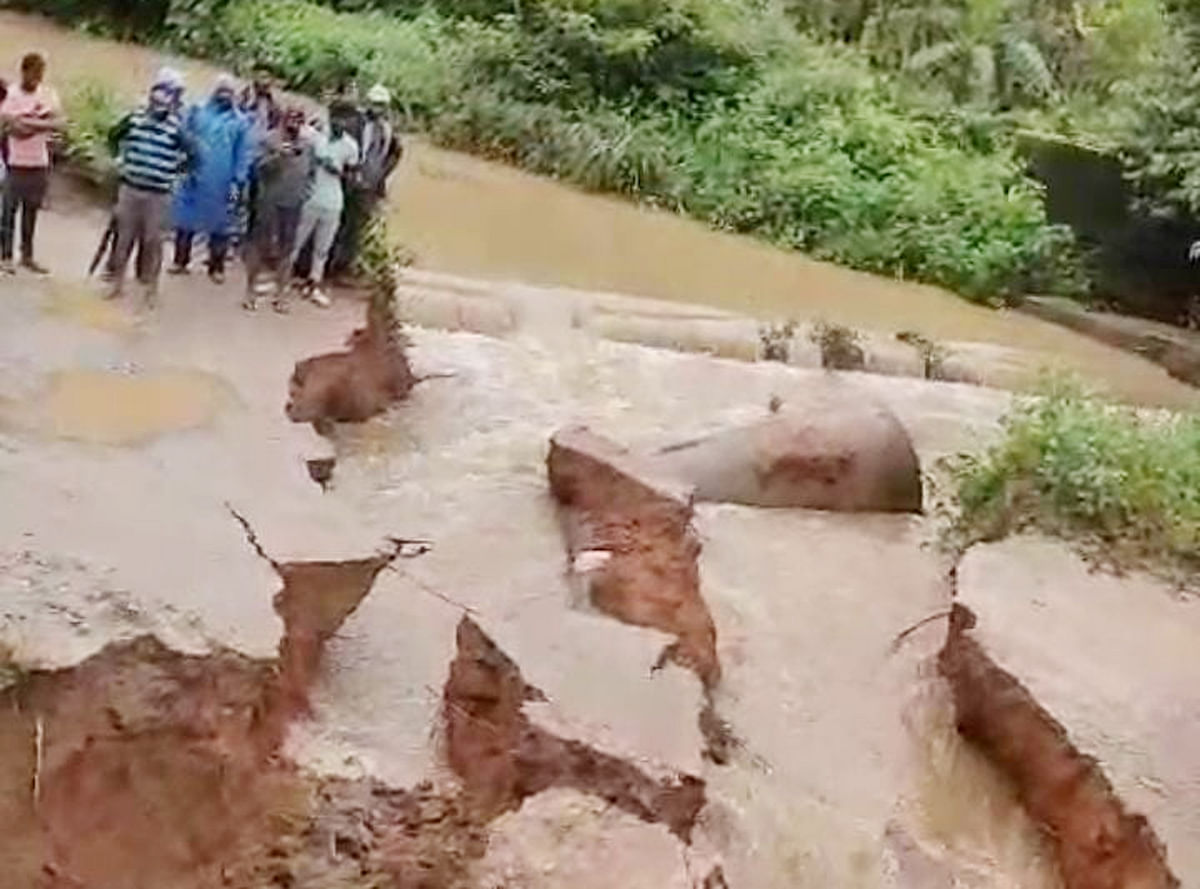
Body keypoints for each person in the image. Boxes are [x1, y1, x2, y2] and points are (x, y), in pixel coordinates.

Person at [105, 72, 195, 306]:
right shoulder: (134, 118)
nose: (160, 109)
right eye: (156, 104)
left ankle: (151, 290)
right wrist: (118, 160)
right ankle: (117, 285)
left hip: (159, 193)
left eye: (164, 106)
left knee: (154, 241)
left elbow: (195, 154)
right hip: (131, 187)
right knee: (123, 238)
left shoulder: (176, 127)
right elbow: (113, 136)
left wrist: (177, 173)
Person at [170, 74, 250, 284]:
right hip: (193, 176)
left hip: (225, 182)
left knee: (223, 223)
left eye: (229, 91)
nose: (224, 94)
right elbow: (184, 138)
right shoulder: (198, 111)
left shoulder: (240, 122)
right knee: (185, 219)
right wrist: (183, 166)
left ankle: (216, 267)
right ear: (214, 91)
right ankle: (180, 261)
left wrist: (238, 182)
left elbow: (243, 154)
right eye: (221, 90)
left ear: (233, 95)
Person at [286, 104, 358, 307]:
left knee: (322, 248)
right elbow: (293, 130)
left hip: (333, 201)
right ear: (330, 117)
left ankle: (314, 284)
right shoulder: (315, 136)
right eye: (337, 118)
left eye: (346, 119)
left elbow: (353, 178)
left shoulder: (350, 147)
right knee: (296, 241)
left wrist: (338, 171)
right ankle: (282, 279)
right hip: (310, 198)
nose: (341, 123)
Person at [244, 106, 313, 312]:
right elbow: (256, 170)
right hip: (269, 202)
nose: (294, 122)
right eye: (290, 117)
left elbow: (312, 173)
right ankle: (250, 292)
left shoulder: (308, 145)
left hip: (293, 203)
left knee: (287, 249)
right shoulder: (269, 139)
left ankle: (281, 295)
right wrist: (277, 155)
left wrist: (306, 193)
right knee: (260, 247)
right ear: (283, 119)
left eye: (299, 118)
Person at [330, 82, 401, 279]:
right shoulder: (355, 123)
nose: (377, 108)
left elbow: (395, 153)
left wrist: (382, 174)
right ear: (367, 103)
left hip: (370, 187)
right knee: (339, 224)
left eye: (381, 105)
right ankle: (327, 265)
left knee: (357, 229)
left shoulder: (387, 129)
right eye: (374, 104)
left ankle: (344, 267)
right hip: (347, 183)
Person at [0, 53, 63, 276]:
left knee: (31, 212)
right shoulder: (12, 94)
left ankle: (27, 255)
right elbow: (11, 127)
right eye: (33, 73)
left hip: (39, 162)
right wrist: (41, 123)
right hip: (16, 162)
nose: (37, 78)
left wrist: (27, 123)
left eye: (40, 74)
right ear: (24, 72)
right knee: (8, 211)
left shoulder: (48, 94)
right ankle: (5, 256)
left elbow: (59, 123)